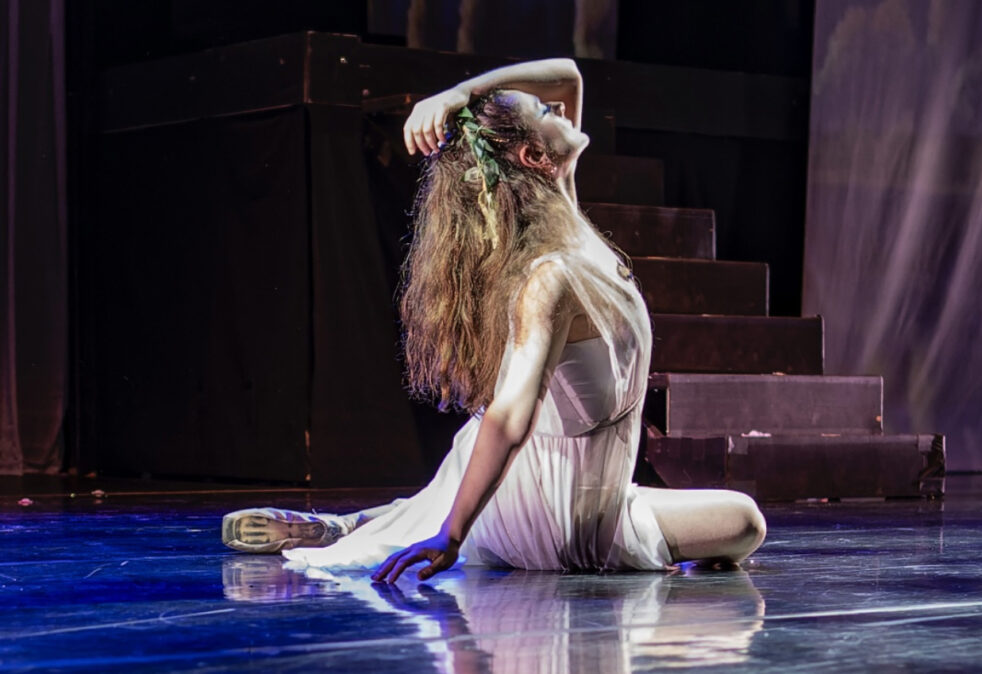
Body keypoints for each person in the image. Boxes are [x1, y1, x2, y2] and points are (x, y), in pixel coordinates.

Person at [222, 59, 766, 582]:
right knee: (745, 521)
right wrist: (452, 538)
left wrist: (458, 94)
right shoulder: (551, 276)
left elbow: (569, 75)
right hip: (561, 518)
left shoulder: (565, 213)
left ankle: (350, 524)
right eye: (548, 114)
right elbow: (508, 417)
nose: (561, 108)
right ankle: (399, 525)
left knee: (719, 518)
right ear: (534, 155)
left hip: (576, 485)